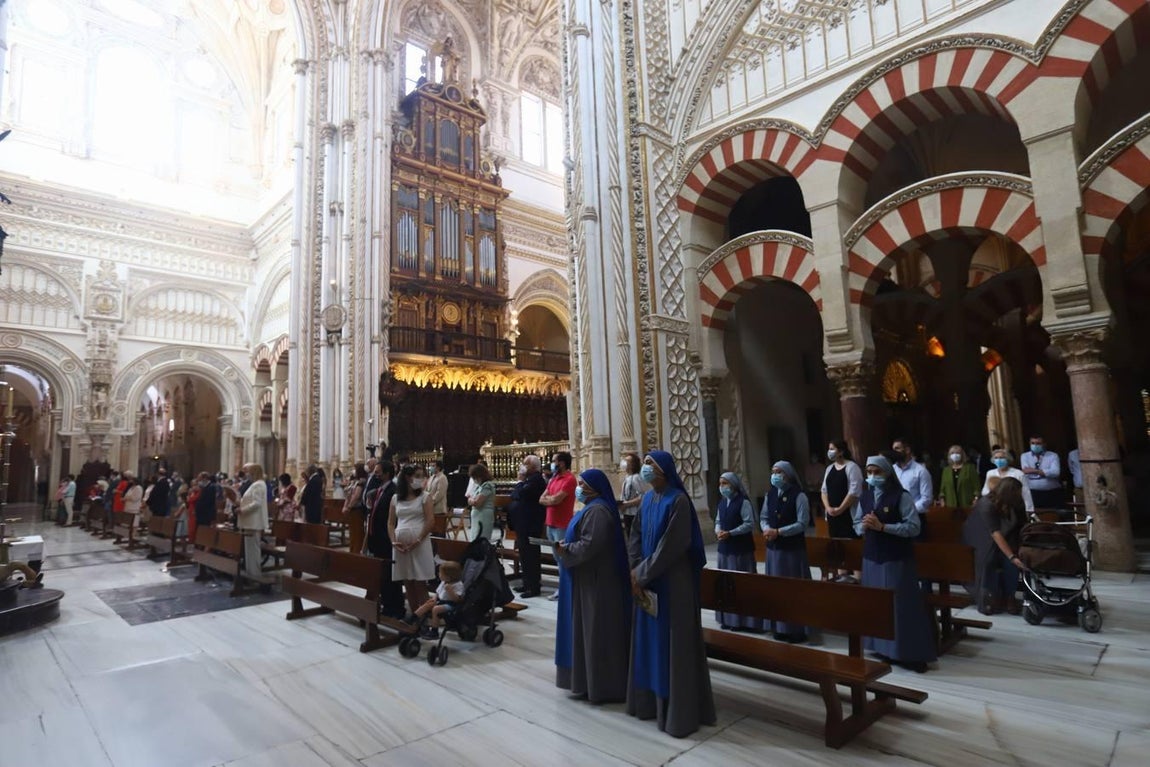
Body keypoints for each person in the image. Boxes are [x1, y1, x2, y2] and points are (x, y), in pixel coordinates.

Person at [626, 450, 716, 738]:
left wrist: (640, 574)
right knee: (651, 643)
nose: (646, 469)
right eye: (646, 464)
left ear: (665, 470)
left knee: (672, 643)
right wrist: (634, 567)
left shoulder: (677, 500)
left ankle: (678, 712)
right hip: (647, 581)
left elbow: (673, 546)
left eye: (651, 464)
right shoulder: (648, 499)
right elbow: (636, 535)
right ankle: (650, 704)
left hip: (673, 582)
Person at [852, 455, 937, 673]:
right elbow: (856, 522)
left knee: (900, 606)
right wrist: (863, 526)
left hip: (896, 558)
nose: (872, 476)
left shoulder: (901, 496)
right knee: (878, 604)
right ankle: (883, 649)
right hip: (872, 557)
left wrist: (883, 527)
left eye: (876, 472)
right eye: (869, 472)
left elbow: (913, 527)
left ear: (887, 473)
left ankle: (909, 653)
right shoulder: (866, 496)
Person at [554, 468, 631, 703]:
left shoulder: (597, 511)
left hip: (597, 580)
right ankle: (585, 681)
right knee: (586, 629)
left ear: (593, 487)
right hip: (587, 578)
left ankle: (600, 685)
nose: (578, 488)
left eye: (581, 484)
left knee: (595, 630)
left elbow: (590, 545)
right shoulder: (591, 507)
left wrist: (565, 549)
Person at [761, 461, 812, 642]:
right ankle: (778, 627)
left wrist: (779, 532)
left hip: (791, 550)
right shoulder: (770, 494)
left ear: (788, 474)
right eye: (773, 471)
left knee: (792, 590)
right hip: (773, 549)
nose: (775, 475)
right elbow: (764, 517)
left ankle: (796, 628)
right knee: (776, 589)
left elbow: (802, 523)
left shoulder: (799, 496)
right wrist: (766, 528)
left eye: (779, 472)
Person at [965, 477, 1028, 615]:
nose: (1020, 495)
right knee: (988, 560)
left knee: (1011, 564)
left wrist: (1016, 552)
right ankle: (987, 597)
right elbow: (995, 533)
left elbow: (1023, 524)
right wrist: (1011, 556)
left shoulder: (1016, 503)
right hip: (982, 539)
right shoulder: (986, 504)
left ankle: (1009, 596)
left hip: (1009, 537)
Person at [712, 471, 760, 631]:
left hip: (740, 548)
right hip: (724, 549)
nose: (722, 487)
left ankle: (745, 620)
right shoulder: (722, 503)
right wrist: (718, 530)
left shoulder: (743, 502)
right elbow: (718, 521)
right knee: (726, 584)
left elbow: (749, 524)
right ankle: (728, 619)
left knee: (740, 584)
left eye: (725, 483)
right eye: (720, 484)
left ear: (733, 485)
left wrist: (731, 533)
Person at [389, 464, 435, 619]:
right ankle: (414, 614)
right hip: (400, 546)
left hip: (419, 543)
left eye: (422, 475)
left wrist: (418, 539)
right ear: (408, 478)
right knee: (407, 580)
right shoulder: (396, 498)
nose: (421, 479)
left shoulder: (424, 497)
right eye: (418, 475)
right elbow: (390, 523)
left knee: (420, 581)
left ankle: (426, 616)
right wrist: (393, 541)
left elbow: (430, 521)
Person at [364, 460, 405, 618]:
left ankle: (395, 608)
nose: (375, 474)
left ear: (387, 473)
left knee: (390, 577)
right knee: (383, 576)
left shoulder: (393, 491)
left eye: (378, 471)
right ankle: (386, 605)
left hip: (386, 540)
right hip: (377, 540)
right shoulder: (380, 490)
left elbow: (392, 519)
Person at [821, 440, 863, 582]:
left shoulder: (852, 467)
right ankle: (842, 579)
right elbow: (824, 491)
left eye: (832, 449)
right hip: (833, 515)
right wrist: (828, 508)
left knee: (853, 549)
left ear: (841, 451)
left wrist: (840, 509)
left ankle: (858, 580)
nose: (830, 451)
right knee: (838, 549)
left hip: (848, 515)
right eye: (829, 448)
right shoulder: (829, 469)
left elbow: (854, 491)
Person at [540, 451, 577, 601]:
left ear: (562, 463)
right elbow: (541, 499)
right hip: (550, 523)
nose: (552, 463)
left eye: (554, 460)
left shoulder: (569, 479)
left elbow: (556, 500)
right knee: (557, 559)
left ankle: (567, 589)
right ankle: (563, 588)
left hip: (562, 524)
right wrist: (551, 499)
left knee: (564, 559)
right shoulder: (553, 479)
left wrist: (550, 500)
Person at [510, 455, 547, 598]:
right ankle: (527, 584)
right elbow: (515, 495)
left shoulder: (536, 480)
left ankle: (534, 587)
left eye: (525, 464)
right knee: (524, 556)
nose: (522, 466)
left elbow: (521, 493)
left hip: (530, 524)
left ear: (532, 467)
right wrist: (520, 484)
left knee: (531, 556)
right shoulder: (529, 480)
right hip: (523, 523)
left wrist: (519, 482)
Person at [236, 463, 269, 582]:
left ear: (254, 472)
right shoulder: (255, 484)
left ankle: (255, 574)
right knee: (249, 550)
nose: (247, 474)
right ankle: (250, 573)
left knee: (253, 550)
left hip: (253, 521)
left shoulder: (259, 485)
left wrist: (242, 510)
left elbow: (257, 503)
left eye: (249, 472)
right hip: (249, 521)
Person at [413, 561, 464, 631]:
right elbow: (438, 592)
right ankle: (413, 618)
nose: (439, 574)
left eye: (441, 573)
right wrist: (434, 599)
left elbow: (457, 599)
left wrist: (450, 591)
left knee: (436, 609)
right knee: (427, 604)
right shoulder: (443, 582)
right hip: (441, 601)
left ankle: (434, 629)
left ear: (449, 577)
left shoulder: (458, 585)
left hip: (451, 604)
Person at [981, 448, 1034, 513]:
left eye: (1001, 458)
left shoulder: (1018, 473)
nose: (999, 460)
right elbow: (985, 491)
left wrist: (1029, 510)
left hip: (1014, 507)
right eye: (996, 458)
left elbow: (1026, 492)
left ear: (1007, 459)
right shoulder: (990, 473)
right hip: (996, 507)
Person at [891, 438, 933, 514]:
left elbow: (926, 498)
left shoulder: (920, 471)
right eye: (893, 449)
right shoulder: (892, 469)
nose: (894, 452)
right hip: (895, 516)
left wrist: (909, 511)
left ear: (907, 450)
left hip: (915, 516)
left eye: (897, 448)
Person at [1021, 435, 1063, 510]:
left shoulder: (1053, 456)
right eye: (1033, 443)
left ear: (1044, 444)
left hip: (1051, 493)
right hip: (1032, 493)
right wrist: (1045, 472)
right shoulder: (1025, 456)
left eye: (1038, 443)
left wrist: (1035, 471)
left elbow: (1055, 472)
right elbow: (1026, 470)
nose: (1035, 445)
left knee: (1053, 516)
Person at [618, 453, 648, 536]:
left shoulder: (636, 478)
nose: (624, 463)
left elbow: (642, 496)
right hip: (626, 513)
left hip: (634, 514)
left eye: (627, 461)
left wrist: (627, 504)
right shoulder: (626, 478)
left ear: (632, 465)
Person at [465, 463, 496, 540]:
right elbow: (470, 498)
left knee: (481, 539)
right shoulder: (479, 486)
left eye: (474, 477)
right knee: (474, 538)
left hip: (483, 516)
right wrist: (471, 500)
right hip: (477, 516)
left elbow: (477, 503)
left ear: (480, 476)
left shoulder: (487, 485)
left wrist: (471, 500)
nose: (474, 480)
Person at [341, 465, 367, 550]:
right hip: (353, 510)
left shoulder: (361, 483)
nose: (354, 471)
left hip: (357, 510)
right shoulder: (356, 482)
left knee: (357, 533)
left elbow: (356, 496)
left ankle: (356, 550)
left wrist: (348, 507)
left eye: (355, 470)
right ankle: (352, 549)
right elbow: (349, 494)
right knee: (353, 533)